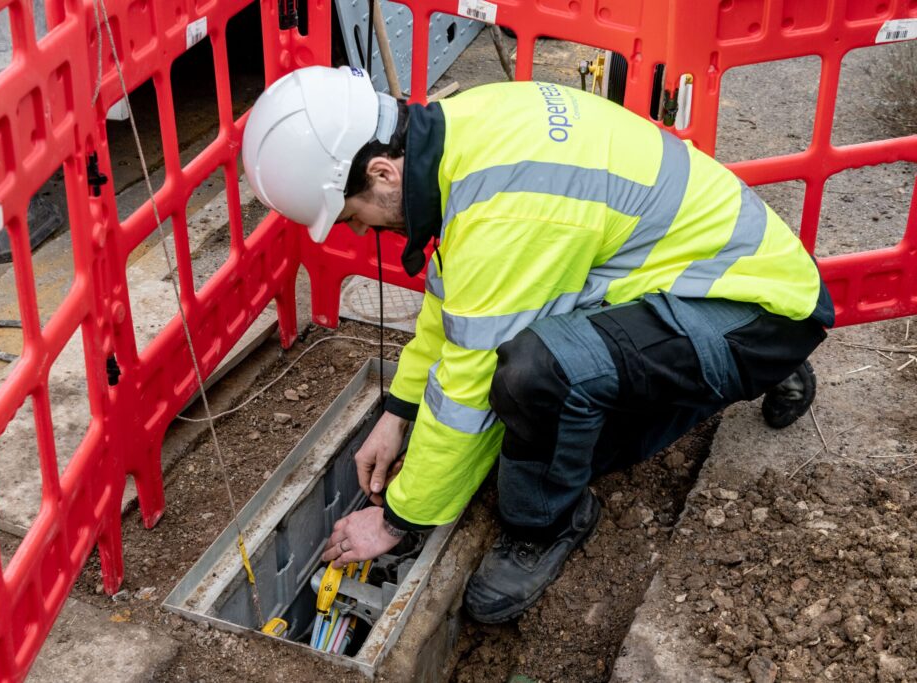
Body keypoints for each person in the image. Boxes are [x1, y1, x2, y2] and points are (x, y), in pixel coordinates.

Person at [241, 66, 833, 624]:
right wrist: (400, 411)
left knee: (534, 379)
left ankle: (545, 524)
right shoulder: (464, 132)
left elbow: (474, 383)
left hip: (754, 309)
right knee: (537, 381)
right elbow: (457, 307)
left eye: (353, 215)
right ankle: (745, 362)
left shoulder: (507, 208)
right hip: (718, 274)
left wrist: (398, 519)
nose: (363, 230)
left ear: (382, 173)